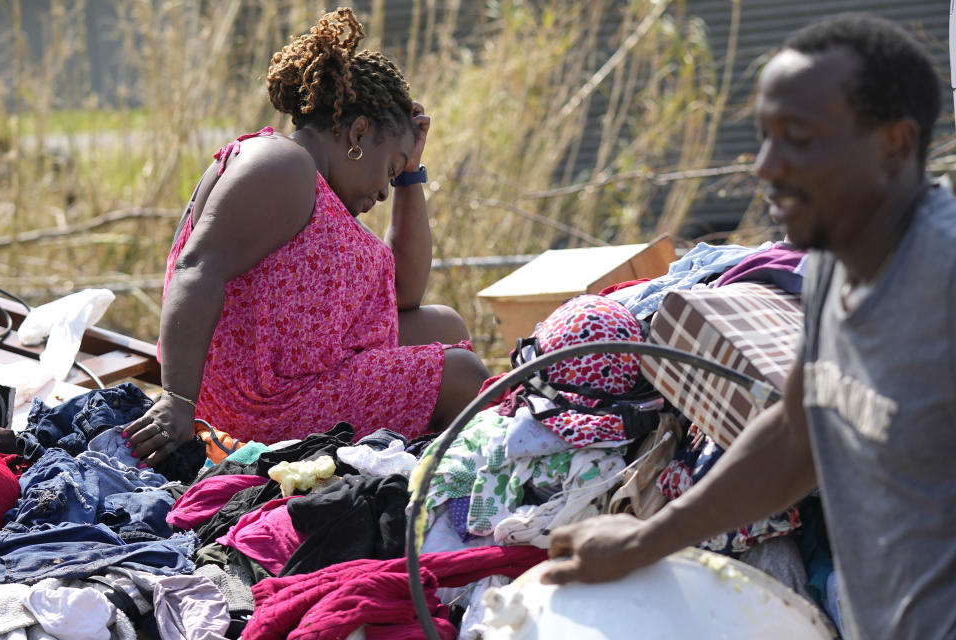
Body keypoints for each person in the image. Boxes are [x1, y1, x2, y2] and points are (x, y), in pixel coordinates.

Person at [542, 13, 956, 640]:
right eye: (764, 137)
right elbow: (796, 436)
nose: (765, 166)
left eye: (799, 137)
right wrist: (644, 540)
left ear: (893, 146)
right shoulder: (834, 271)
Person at [123, 8, 489, 468]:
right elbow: (198, 267)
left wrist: (411, 175)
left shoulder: (313, 189)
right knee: (464, 374)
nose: (383, 189)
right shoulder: (281, 163)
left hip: (298, 376)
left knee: (444, 327)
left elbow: (404, 296)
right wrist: (177, 397)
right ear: (358, 133)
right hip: (265, 399)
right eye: (389, 170)